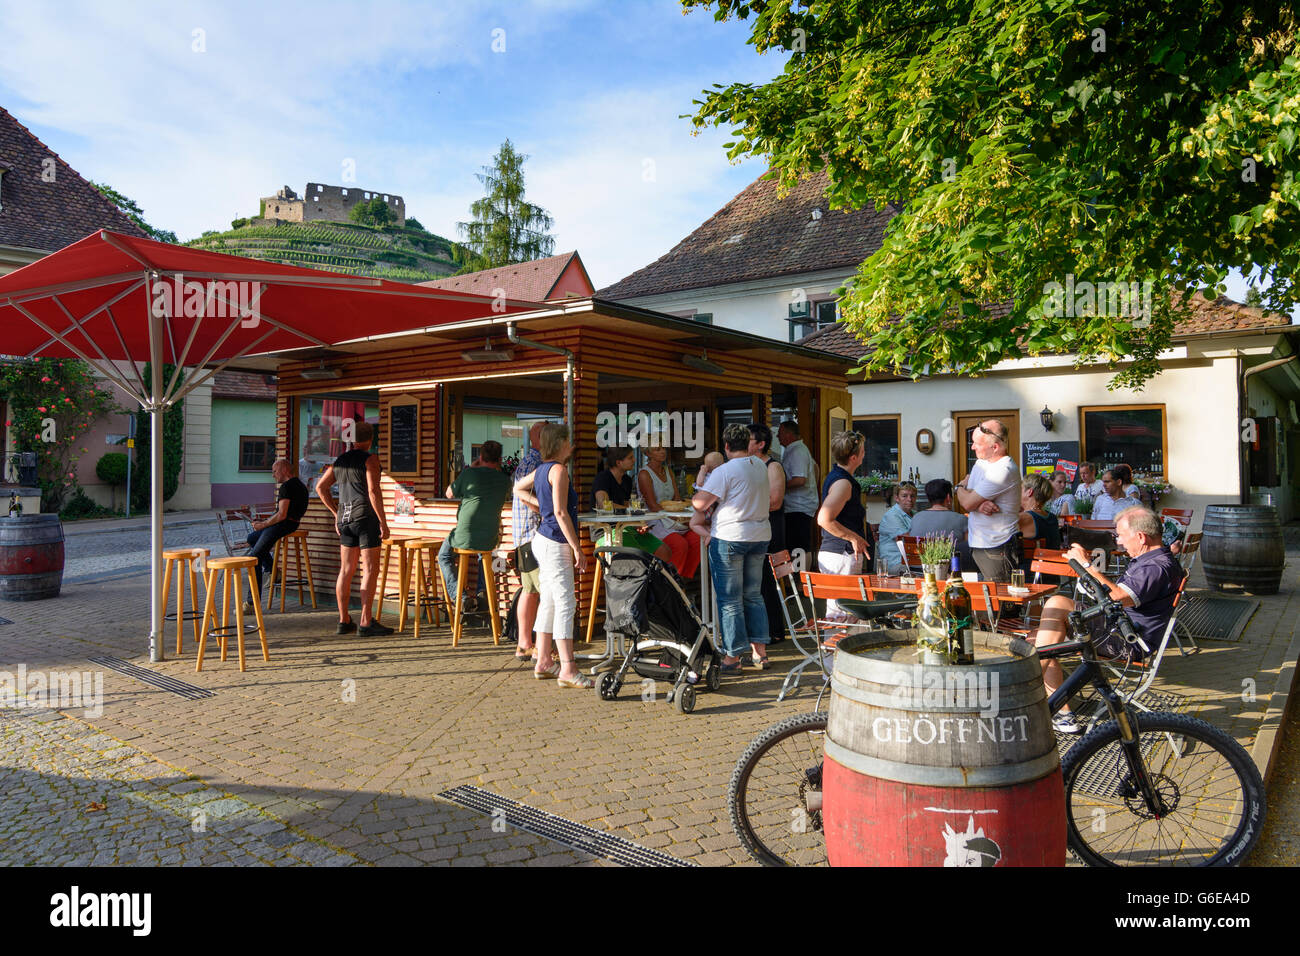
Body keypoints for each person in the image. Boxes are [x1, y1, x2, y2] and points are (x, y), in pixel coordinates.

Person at [1032, 508, 1184, 733]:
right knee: (1038, 639)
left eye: (1121, 535)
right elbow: (1112, 596)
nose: (1119, 542)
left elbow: (1117, 598)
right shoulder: (1152, 560)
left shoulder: (1155, 567)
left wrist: (1087, 566)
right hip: (1119, 628)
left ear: (1141, 537)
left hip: (1128, 639)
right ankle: (1063, 716)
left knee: (1057, 604)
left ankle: (1024, 688)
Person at [513, 423, 592, 689]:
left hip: (540, 539)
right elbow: (560, 513)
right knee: (565, 603)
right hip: (555, 542)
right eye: (569, 441)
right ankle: (568, 668)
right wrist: (577, 548)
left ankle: (544, 661)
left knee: (549, 601)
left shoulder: (541, 469)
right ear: (560, 443)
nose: (572, 445)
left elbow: (517, 489)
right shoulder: (559, 470)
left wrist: (540, 506)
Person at [691, 423, 771, 672]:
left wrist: (700, 488)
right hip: (759, 534)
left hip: (731, 536)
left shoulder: (725, 471)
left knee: (730, 600)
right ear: (747, 443)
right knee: (754, 596)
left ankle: (732, 657)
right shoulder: (759, 465)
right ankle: (760, 653)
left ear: (726, 446)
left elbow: (699, 504)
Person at [315, 421, 392, 636]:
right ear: (371, 439)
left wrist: (335, 512)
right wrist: (383, 522)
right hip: (365, 519)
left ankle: (344, 620)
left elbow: (320, 487)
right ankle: (366, 622)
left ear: (351, 439)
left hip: (345, 520)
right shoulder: (371, 459)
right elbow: (373, 491)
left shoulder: (339, 461)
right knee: (369, 570)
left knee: (346, 570)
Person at [438, 439, 512, 616]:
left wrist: (472, 467)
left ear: (480, 456)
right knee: (484, 555)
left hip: (464, 535)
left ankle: (461, 597)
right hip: (490, 537)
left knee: (444, 556)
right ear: (500, 459)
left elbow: (449, 493)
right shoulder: (505, 480)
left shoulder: (469, 474)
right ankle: (482, 593)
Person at [816, 432, 873, 620]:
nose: (865, 455)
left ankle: (836, 649)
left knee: (844, 612)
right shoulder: (843, 483)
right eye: (863, 451)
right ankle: (835, 650)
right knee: (842, 612)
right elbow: (824, 519)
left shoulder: (839, 477)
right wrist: (853, 537)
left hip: (839, 553)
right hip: (841, 554)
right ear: (854, 457)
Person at [955, 419, 1021, 582]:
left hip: (998, 546)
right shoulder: (981, 463)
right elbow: (969, 493)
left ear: (995, 447)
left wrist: (960, 489)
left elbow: (967, 502)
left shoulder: (1003, 470)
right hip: (979, 542)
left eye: (976, 443)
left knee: (1002, 602)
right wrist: (977, 503)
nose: (972, 447)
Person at [243, 458, 309, 607]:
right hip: (292, 524)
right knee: (252, 538)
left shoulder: (287, 487)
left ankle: (251, 603)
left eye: (274, 471)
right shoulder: (301, 485)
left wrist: (263, 524)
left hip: (283, 525)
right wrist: (263, 523)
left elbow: (282, 514)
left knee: (253, 558)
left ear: (284, 470)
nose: (273, 475)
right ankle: (272, 569)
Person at [591, 446, 674, 562]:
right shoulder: (603, 478)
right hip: (607, 531)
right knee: (638, 555)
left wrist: (638, 524)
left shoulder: (627, 480)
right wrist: (630, 510)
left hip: (627, 527)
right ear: (619, 462)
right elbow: (604, 505)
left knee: (664, 551)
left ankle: (651, 579)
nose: (634, 460)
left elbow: (628, 505)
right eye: (630, 458)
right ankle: (639, 578)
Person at [509, 421, 548, 660]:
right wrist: (549, 511)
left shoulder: (530, 460)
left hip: (525, 535)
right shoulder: (535, 463)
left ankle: (525, 644)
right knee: (542, 591)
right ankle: (540, 650)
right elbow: (523, 495)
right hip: (532, 535)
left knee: (530, 590)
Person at [636, 442, 701, 579]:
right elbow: (653, 506)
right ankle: (670, 583)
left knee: (696, 538)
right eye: (657, 449)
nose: (662, 452)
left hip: (672, 518)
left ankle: (683, 579)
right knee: (679, 544)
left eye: (663, 448)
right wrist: (675, 518)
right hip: (655, 520)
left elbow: (677, 499)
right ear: (648, 454)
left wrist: (681, 516)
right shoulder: (644, 474)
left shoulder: (668, 471)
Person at [749, 423, 788, 644]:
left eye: (749, 440)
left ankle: (774, 630)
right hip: (754, 527)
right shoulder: (747, 465)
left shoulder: (773, 467)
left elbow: (775, 502)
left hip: (771, 527)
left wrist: (745, 506)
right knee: (756, 582)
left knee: (768, 580)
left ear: (761, 444)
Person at [777, 420, 819, 562]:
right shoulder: (795, 450)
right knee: (796, 544)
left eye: (780, 433)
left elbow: (800, 479)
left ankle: (801, 579)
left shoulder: (797, 451)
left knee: (799, 545)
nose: (777, 436)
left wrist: (779, 486)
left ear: (789, 434)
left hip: (799, 506)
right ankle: (799, 576)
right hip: (796, 505)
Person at [910, 477, 971, 569]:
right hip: (948, 572)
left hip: (918, 570)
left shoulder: (916, 517)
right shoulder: (961, 519)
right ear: (948, 498)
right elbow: (969, 549)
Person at [876, 480, 916, 574]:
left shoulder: (915, 515)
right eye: (904, 496)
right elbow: (908, 541)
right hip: (895, 564)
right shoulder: (892, 516)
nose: (909, 499)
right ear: (896, 498)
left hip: (911, 562)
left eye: (912, 496)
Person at [1018, 474, 1062, 550]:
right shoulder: (1052, 517)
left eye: (1020, 489)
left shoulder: (1025, 517)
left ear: (1029, 492)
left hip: (1031, 561)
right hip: (1051, 561)